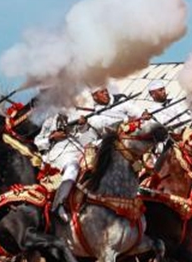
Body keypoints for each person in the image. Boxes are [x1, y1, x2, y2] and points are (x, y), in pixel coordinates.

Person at [40, 83, 138, 217]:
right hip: (57, 154)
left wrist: (83, 124)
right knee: (73, 168)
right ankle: (58, 205)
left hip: (77, 149)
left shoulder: (75, 112)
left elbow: (83, 131)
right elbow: (38, 141)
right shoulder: (47, 120)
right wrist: (51, 138)